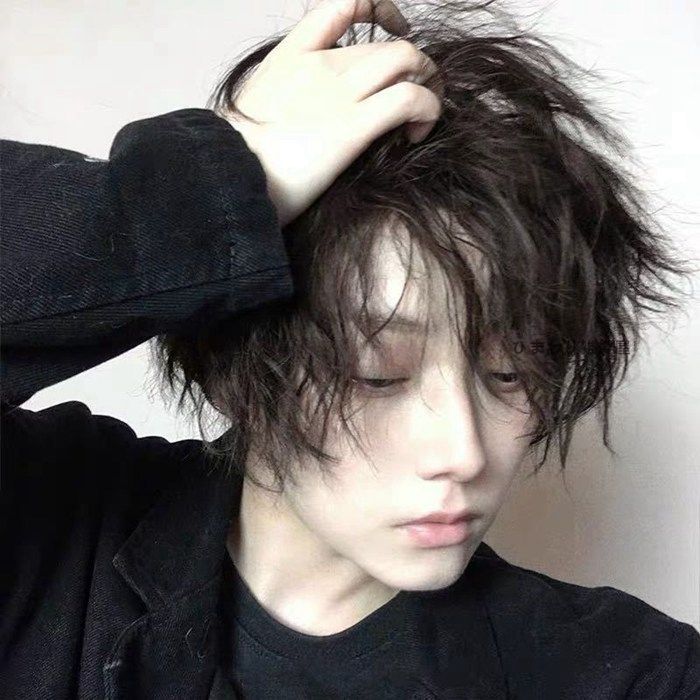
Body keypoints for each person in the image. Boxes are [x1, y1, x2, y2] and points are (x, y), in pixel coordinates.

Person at [1, 0, 698, 698]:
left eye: (511, 372)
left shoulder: (635, 675)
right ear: (227, 369)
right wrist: (210, 194)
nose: (464, 453)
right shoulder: (51, 530)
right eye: (378, 374)